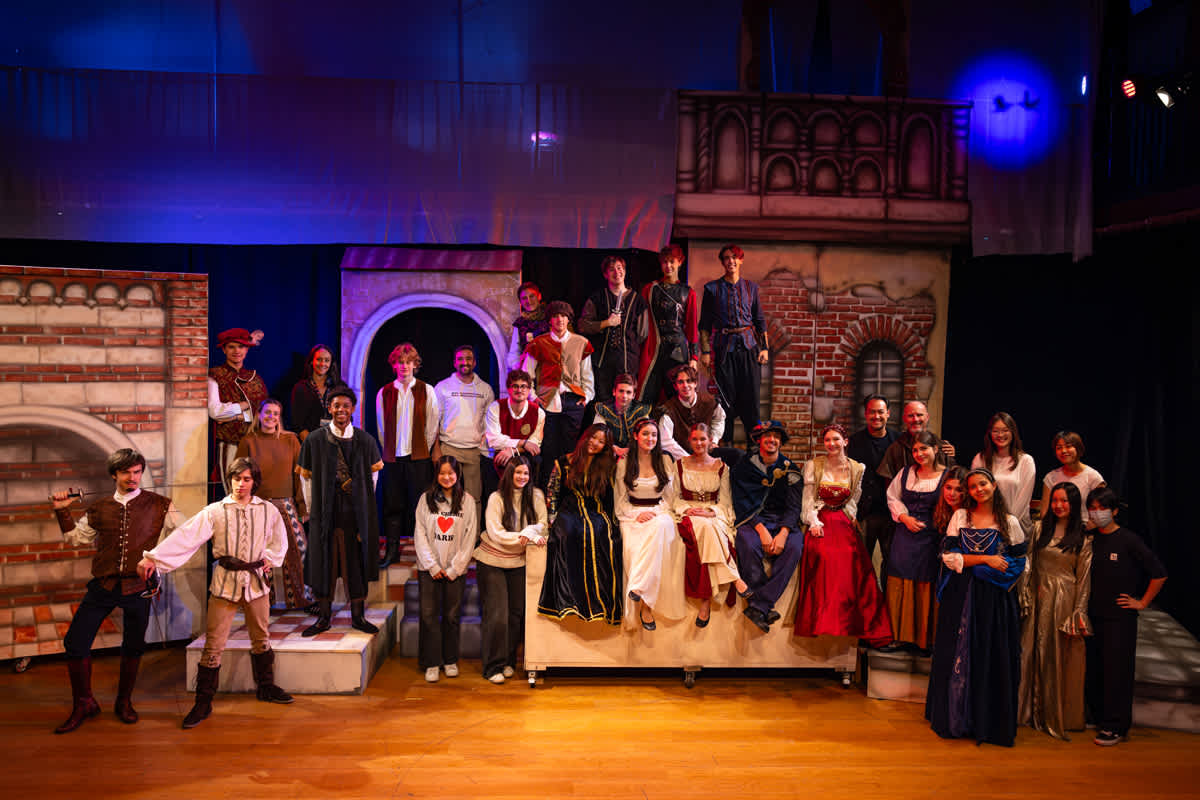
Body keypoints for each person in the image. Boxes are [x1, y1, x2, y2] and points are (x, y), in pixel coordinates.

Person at [137, 457, 293, 729]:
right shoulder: (215, 511)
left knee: (261, 637)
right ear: (229, 479)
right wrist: (154, 558)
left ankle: (266, 687)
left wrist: (270, 558)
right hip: (225, 583)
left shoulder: (267, 510)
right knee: (213, 644)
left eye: (246, 479)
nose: (241, 484)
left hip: (255, 583)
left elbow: (279, 539)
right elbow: (186, 536)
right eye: (236, 478)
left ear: (254, 481)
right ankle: (203, 702)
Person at [49, 449, 182, 734]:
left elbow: (184, 537)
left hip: (139, 588)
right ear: (114, 475)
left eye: (137, 472)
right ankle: (84, 703)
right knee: (75, 643)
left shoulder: (161, 504)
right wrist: (62, 510)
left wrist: (157, 561)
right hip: (104, 586)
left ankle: (124, 702)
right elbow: (75, 539)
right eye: (125, 472)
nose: (132, 478)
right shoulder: (99, 507)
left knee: (133, 646)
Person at [926, 468, 1026, 747]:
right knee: (957, 651)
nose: (978, 490)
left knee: (988, 651)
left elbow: (1019, 562)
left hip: (994, 600)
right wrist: (985, 560)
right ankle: (955, 718)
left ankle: (985, 721)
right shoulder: (961, 517)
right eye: (972, 487)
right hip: (961, 595)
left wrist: (982, 567)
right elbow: (948, 556)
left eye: (983, 484)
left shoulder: (1009, 522)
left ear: (993, 485)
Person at [793, 424, 893, 647]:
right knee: (822, 555)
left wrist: (851, 516)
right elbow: (808, 499)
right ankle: (823, 620)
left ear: (845, 442)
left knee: (853, 560)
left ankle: (851, 621)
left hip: (842, 519)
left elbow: (853, 499)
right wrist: (813, 521)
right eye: (827, 440)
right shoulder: (814, 465)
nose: (831, 444)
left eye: (836, 439)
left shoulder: (857, 468)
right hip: (820, 517)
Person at [298, 386, 385, 636]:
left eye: (346, 406)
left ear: (353, 409)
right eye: (336, 405)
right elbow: (306, 479)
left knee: (356, 562)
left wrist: (363, 503)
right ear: (329, 408)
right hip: (324, 512)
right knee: (324, 561)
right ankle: (323, 618)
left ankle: (358, 617)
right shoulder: (314, 440)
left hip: (355, 515)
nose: (341, 410)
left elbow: (373, 477)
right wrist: (313, 510)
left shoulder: (365, 440)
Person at [1084, 487, 1167, 746]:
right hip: (1092, 615)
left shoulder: (1128, 540)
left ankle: (1116, 726)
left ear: (1115, 511)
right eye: (1092, 508)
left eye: (1102, 508)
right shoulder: (1090, 539)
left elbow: (1159, 573)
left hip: (1119, 619)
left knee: (1117, 672)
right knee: (1095, 669)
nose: (1097, 513)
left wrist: (1142, 602)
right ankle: (1098, 717)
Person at [1018, 482, 1093, 740]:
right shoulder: (1040, 528)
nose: (1058, 505)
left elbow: (1083, 579)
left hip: (1063, 599)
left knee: (1055, 655)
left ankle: (1053, 713)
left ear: (1074, 505)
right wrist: (1026, 591)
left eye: (1064, 501)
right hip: (1038, 594)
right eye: (1055, 500)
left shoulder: (1082, 537)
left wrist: (1078, 611)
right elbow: (1028, 562)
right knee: (1028, 651)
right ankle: (1025, 711)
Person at [537, 424, 622, 624]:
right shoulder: (564, 461)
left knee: (602, 534)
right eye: (593, 438)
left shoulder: (609, 465)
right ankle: (570, 602)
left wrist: (615, 521)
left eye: (601, 442)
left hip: (597, 509)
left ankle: (600, 605)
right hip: (570, 508)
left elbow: (613, 497)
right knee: (568, 534)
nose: (595, 443)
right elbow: (552, 492)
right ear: (586, 437)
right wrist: (551, 519)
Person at [234, 398, 314, 611]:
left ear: (280, 418)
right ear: (259, 414)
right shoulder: (248, 441)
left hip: (285, 503)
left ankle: (303, 599)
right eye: (267, 412)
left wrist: (303, 507)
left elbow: (300, 476)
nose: (271, 417)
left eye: (275, 414)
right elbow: (239, 476)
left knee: (299, 550)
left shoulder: (290, 440)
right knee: (258, 554)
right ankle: (262, 603)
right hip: (257, 505)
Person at [475, 456, 547, 684]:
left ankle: (508, 662)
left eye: (526, 473)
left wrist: (531, 532)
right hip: (492, 560)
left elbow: (543, 524)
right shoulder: (496, 498)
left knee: (516, 615)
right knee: (497, 615)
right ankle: (492, 667)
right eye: (518, 473)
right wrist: (524, 536)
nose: (522, 477)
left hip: (519, 560)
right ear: (509, 474)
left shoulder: (536, 495)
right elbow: (495, 533)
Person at [674, 423, 750, 628]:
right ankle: (734, 577)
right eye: (695, 439)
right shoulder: (679, 465)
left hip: (713, 513)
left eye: (703, 439)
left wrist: (711, 511)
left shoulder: (722, 467)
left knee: (710, 526)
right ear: (689, 441)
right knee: (706, 527)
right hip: (688, 512)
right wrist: (688, 510)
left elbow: (725, 501)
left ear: (710, 441)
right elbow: (673, 497)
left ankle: (705, 601)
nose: (699, 443)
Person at [732, 420, 804, 633]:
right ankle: (762, 604)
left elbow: (794, 506)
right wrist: (761, 529)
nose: (772, 440)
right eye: (767, 436)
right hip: (753, 519)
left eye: (776, 436)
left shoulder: (791, 469)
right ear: (759, 440)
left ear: (781, 442)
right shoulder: (743, 467)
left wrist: (783, 533)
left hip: (782, 520)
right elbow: (740, 502)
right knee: (747, 543)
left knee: (794, 547)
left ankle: (759, 606)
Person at [413, 455, 478, 683]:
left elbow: (470, 537)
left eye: (451, 473)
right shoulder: (425, 499)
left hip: (454, 570)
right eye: (442, 473)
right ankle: (431, 662)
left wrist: (455, 568)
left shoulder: (467, 501)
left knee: (451, 616)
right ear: (436, 475)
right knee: (428, 615)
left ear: (458, 474)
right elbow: (419, 534)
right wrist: (432, 565)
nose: (447, 477)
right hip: (429, 568)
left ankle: (450, 660)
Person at [616, 419, 686, 631]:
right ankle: (641, 595)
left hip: (660, 512)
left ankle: (642, 596)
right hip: (632, 514)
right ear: (636, 436)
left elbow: (671, 497)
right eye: (645, 434)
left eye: (654, 435)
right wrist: (636, 515)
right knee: (634, 546)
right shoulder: (624, 463)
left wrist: (654, 512)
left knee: (659, 528)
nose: (650, 438)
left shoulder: (665, 460)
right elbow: (620, 500)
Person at [376, 342, 441, 568]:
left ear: (415, 364)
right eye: (400, 362)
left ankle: (424, 552)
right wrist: (389, 451)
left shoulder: (427, 390)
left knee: (420, 507)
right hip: (393, 459)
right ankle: (392, 552)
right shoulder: (384, 392)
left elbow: (432, 424)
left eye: (408, 362)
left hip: (418, 458)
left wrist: (423, 448)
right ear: (394, 365)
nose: (404, 366)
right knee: (392, 506)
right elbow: (381, 428)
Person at [883, 430, 946, 652]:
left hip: (932, 537)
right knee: (899, 578)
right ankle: (898, 636)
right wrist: (904, 517)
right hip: (905, 535)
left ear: (935, 449)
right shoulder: (905, 473)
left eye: (924, 449)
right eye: (916, 450)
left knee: (927, 581)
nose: (919, 454)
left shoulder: (947, 476)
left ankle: (925, 640)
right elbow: (892, 497)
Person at [699, 245, 768, 446]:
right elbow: (705, 325)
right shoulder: (712, 289)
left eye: (735, 257)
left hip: (749, 348)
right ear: (722, 262)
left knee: (752, 399)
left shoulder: (751, 287)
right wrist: (705, 351)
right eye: (727, 258)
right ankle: (726, 447)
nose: (731, 261)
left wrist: (764, 348)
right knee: (725, 400)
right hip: (724, 351)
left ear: (741, 260)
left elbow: (759, 320)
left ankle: (754, 450)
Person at [522, 301, 594, 484]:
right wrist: (533, 397)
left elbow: (587, 375)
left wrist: (586, 397)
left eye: (563, 316)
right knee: (548, 450)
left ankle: (565, 491)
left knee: (570, 450)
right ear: (549, 320)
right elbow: (526, 374)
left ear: (569, 319)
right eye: (555, 316)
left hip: (573, 401)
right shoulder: (538, 343)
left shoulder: (581, 343)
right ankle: (545, 491)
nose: (559, 319)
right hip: (547, 401)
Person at [577, 255, 648, 405]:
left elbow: (642, 333)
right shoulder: (597, 298)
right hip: (602, 362)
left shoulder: (638, 300)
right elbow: (583, 325)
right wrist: (606, 323)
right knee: (604, 402)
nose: (616, 272)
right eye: (611, 269)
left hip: (628, 362)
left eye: (619, 268)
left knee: (626, 401)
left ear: (625, 271)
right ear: (605, 274)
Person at [636, 244, 699, 405]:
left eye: (672, 261)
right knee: (647, 395)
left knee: (677, 397)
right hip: (654, 349)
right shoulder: (650, 289)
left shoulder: (688, 292)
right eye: (665, 262)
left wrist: (694, 357)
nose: (668, 265)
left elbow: (691, 327)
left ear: (680, 262)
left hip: (678, 350)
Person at [846, 394, 900, 580]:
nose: (876, 416)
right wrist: (851, 511)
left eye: (880, 412)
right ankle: (864, 599)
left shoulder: (898, 440)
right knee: (860, 564)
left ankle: (887, 598)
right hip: (864, 513)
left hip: (892, 513)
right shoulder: (854, 441)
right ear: (865, 414)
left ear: (888, 413)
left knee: (892, 564)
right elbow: (848, 477)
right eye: (872, 412)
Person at [208, 327, 267, 491]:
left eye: (241, 346)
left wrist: (238, 416)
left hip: (255, 441)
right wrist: (244, 405)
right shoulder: (216, 375)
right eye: (231, 347)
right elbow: (215, 411)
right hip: (230, 442)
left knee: (255, 489)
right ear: (224, 349)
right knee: (234, 489)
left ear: (247, 349)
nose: (237, 351)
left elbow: (262, 413)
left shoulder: (255, 379)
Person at [435, 344, 495, 506]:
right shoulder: (442, 387)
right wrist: (436, 449)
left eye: (468, 359)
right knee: (446, 496)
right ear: (455, 363)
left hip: (474, 450)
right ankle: (448, 524)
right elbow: (434, 420)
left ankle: (473, 525)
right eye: (460, 359)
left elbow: (490, 422)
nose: (464, 362)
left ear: (474, 362)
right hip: (449, 447)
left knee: (474, 499)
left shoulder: (485, 389)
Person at [971, 412, 1036, 535]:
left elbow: (1023, 501)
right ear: (990, 433)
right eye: (996, 431)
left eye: (1005, 430)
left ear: (1013, 432)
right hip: (983, 527)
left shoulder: (1026, 461)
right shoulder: (980, 459)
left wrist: (1005, 526)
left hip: (1016, 528)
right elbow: (974, 493)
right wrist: (987, 524)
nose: (1000, 435)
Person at [486, 369, 546, 486]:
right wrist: (523, 443)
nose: (519, 390)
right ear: (508, 388)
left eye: (523, 386)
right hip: (499, 457)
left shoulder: (538, 412)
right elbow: (493, 441)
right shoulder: (496, 407)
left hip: (525, 460)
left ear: (529, 390)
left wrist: (513, 450)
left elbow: (534, 445)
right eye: (515, 386)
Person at [657, 364, 727, 461]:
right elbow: (665, 441)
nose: (685, 385)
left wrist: (714, 440)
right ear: (675, 386)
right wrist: (687, 459)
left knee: (737, 455)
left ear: (695, 383)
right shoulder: (669, 408)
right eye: (680, 382)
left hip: (707, 452)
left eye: (689, 381)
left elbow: (719, 419)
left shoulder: (709, 401)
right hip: (681, 457)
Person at [1037, 431, 1106, 527]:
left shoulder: (1093, 477)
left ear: (1078, 448)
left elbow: (1102, 511)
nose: (1064, 451)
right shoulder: (1051, 477)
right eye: (1059, 448)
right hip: (1056, 528)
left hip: (1084, 528)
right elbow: (1044, 511)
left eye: (1068, 446)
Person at [876, 400, 956, 482]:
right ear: (904, 419)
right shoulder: (895, 449)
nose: (915, 419)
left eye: (919, 415)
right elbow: (888, 483)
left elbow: (953, 478)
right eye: (910, 416)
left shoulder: (943, 447)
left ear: (927, 417)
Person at [290, 344, 345, 442]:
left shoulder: (340, 387)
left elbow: (346, 418)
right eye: (319, 359)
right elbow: (298, 425)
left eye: (327, 360)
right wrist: (314, 446)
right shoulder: (301, 388)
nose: (323, 364)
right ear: (312, 361)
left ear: (331, 363)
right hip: (310, 443)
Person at [591, 372, 652, 458]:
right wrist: (613, 447)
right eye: (621, 391)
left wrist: (631, 449)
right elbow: (597, 436)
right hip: (607, 451)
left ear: (633, 395)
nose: (624, 396)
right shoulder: (603, 409)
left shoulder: (641, 410)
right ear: (614, 392)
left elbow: (647, 436)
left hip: (635, 453)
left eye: (628, 392)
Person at [506, 281, 551, 373]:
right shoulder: (520, 323)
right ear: (520, 302)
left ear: (539, 296)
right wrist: (518, 368)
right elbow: (514, 351)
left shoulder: (550, 317)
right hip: (529, 371)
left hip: (550, 369)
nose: (528, 301)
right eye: (524, 298)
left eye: (532, 296)